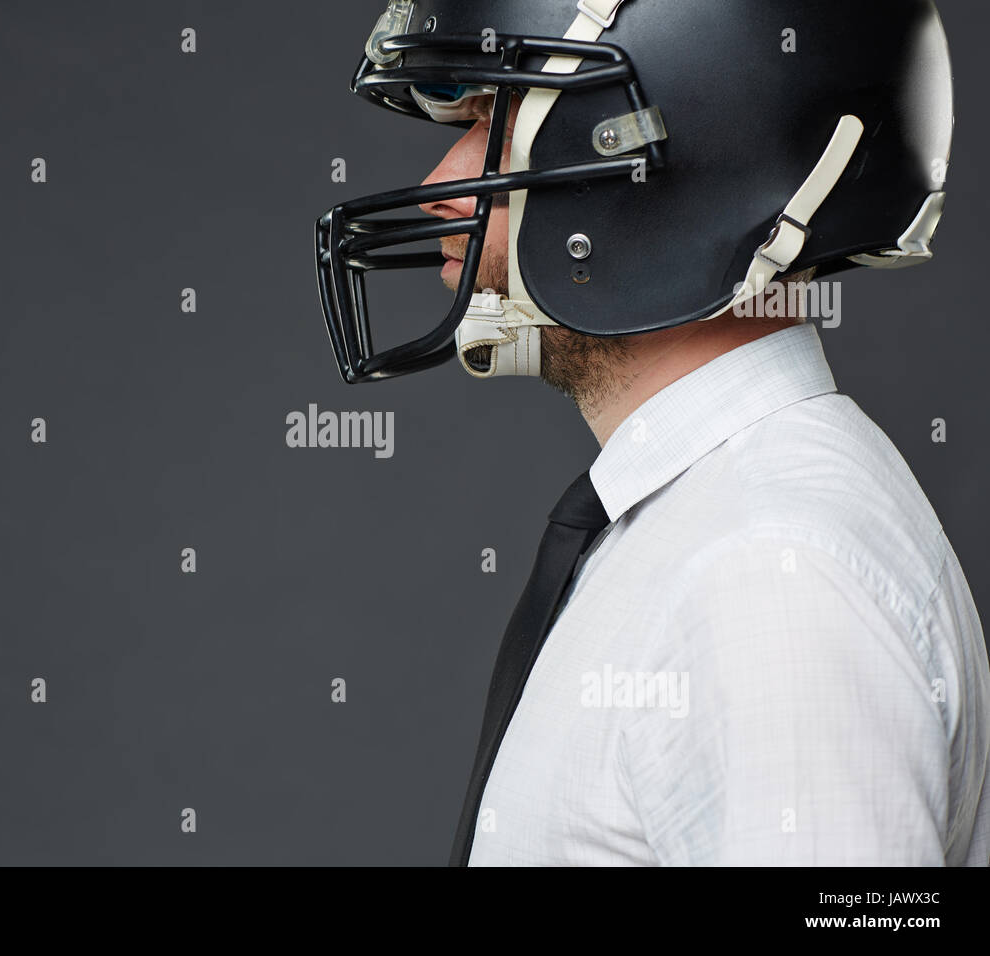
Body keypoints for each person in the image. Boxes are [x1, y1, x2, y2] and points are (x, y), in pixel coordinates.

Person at [314, 0, 990, 865]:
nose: (432, 187)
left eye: (493, 124)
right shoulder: (712, 527)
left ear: (672, 152)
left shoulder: (769, 574)